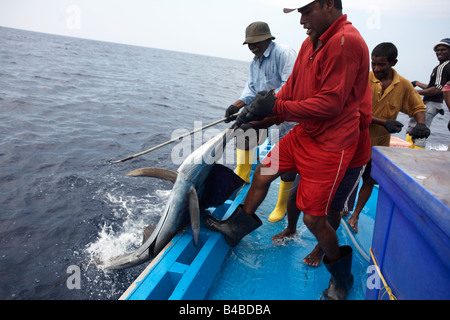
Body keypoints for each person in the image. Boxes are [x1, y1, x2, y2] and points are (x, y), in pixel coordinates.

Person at [204, 0, 372, 300]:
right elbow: (292, 88)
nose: (301, 21)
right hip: (305, 132)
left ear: (329, 5)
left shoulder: (346, 42)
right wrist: (258, 116)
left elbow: (331, 104)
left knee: (314, 219)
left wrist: (277, 106)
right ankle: (235, 228)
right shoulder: (311, 43)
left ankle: (341, 278)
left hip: (332, 143)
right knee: (262, 173)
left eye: (306, 12)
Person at [345, 43, 428, 234]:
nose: (376, 68)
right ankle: (344, 208)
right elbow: (354, 109)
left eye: (381, 64)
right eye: (373, 63)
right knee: (350, 177)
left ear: (393, 62)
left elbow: (418, 107)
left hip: (379, 146)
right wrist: (384, 122)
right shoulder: (362, 79)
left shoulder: (404, 85)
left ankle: (355, 215)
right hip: (354, 141)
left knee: (369, 180)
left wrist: (421, 124)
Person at [224, 21, 297, 222]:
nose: (253, 46)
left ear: (268, 39)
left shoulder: (284, 53)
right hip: (265, 108)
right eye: (249, 43)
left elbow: (291, 85)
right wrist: (237, 105)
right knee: (242, 132)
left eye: (257, 42)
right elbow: (251, 89)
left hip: (288, 111)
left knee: (287, 156)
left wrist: (262, 105)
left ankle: (281, 205)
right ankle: (242, 178)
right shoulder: (254, 62)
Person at [409, 38, 450, 148]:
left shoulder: (443, 67)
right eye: (437, 50)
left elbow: (436, 90)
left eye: (443, 50)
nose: (439, 52)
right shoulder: (442, 67)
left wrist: (414, 93)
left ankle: (415, 157)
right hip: (434, 103)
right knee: (413, 126)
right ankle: (411, 151)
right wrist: (417, 83)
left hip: (431, 104)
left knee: (419, 132)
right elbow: (434, 87)